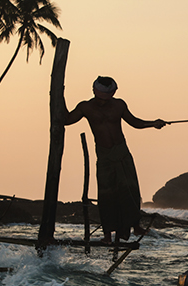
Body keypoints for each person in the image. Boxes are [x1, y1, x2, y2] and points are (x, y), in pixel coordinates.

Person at [63, 76, 166, 245]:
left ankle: (136, 225)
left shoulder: (119, 105)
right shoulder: (85, 107)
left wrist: (153, 123)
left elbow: (134, 122)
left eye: (107, 98)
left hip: (122, 152)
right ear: (94, 92)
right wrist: (60, 98)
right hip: (104, 156)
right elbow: (66, 120)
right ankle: (107, 235)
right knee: (106, 195)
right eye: (101, 98)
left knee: (130, 189)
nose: (104, 103)